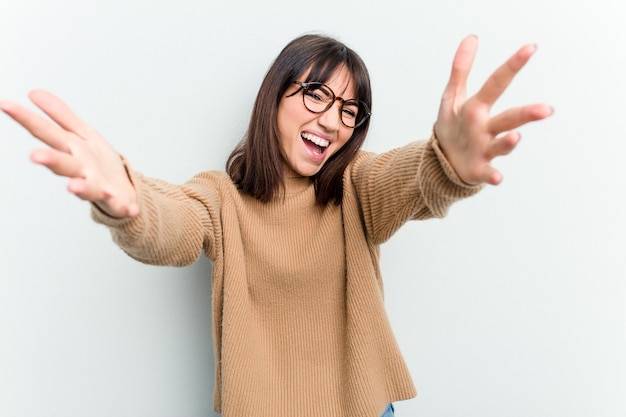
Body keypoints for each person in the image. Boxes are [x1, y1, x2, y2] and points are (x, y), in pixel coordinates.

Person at [0, 34, 552, 417]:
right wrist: (131, 202)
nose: (333, 120)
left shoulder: (357, 186)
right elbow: (175, 226)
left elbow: (412, 181)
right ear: (275, 97)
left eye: (349, 110)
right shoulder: (221, 198)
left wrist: (446, 162)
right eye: (317, 94)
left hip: (363, 408)